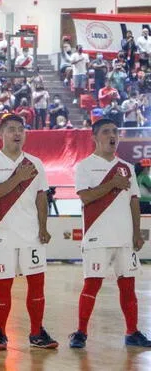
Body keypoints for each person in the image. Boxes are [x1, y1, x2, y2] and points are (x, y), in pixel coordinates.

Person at [69, 118, 151, 349]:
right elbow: (85, 197)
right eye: (106, 132)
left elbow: (134, 201)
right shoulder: (85, 166)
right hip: (97, 236)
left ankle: (132, 332)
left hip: (124, 238)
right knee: (91, 286)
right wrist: (113, 184)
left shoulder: (126, 166)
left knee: (128, 287)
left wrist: (137, 233)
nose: (112, 135)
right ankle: (81, 332)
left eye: (115, 131)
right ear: (95, 137)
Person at [0, 114, 58, 350]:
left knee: (37, 285)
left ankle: (36, 332)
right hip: (3, 234)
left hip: (31, 235)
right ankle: (0, 332)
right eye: (12, 129)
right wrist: (18, 178)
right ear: (1, 135)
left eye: (21, 130)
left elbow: (41, 197)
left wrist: (44, 227)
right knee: (3, 286)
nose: (17, 133)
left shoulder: (35, 163)